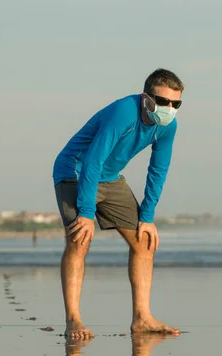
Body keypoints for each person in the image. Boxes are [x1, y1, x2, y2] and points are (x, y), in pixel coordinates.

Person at [52, 68, 184, 340]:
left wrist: (147, 216)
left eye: (175, 104)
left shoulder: (168, 126)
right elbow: (92, 159)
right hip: (74, 171)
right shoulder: (124, 113)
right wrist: (87, 212)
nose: (168, 108)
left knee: (144, 241)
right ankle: (73, 320)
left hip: (110, 178)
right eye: (162, 102)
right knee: (79, 239)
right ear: (147, 98)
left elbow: (158, 170)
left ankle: (142, 318)